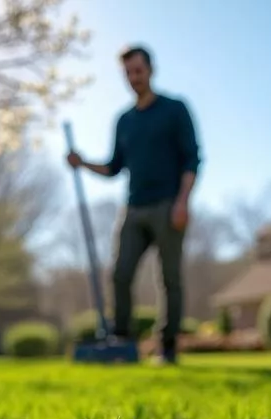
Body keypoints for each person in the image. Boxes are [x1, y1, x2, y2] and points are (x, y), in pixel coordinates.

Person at [67, 44, 201, 364]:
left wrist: (183, 201)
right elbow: (114, 168)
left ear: (151, 70)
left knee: (169, 278)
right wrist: (82, 163)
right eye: (127, 72)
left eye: (138, 70)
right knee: (120, 272)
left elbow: (192, 159)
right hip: (134, 207)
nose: (133, 77)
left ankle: (167, 348)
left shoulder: (174, 109)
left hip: (169, 204)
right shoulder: (124, 120)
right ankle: (123, 343)